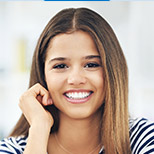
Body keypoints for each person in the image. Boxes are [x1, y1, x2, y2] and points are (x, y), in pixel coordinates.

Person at [0, 7, 154, 154]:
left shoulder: (143, 139)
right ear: (43, 74)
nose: (75, 79)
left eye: (91, 64)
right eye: (60, 66)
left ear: (113, 71)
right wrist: (39, 127)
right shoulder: (12, 149)